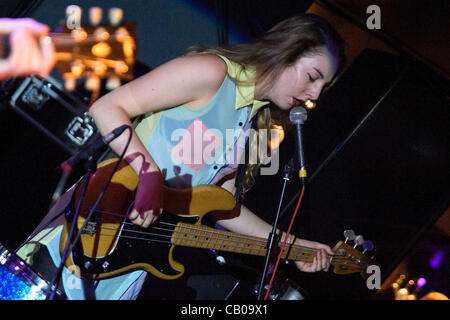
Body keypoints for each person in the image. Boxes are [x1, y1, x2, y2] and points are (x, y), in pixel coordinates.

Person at [18, 13, 346, 300]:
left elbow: (222, 208)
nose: (314, 95)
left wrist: (291, 245)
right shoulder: (212, 73)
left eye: (324, 87)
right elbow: (108, 107)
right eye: (313, 76)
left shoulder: (253, 124)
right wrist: (148, 174)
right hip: (86, 233)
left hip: (130, 266)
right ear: (285, 52)